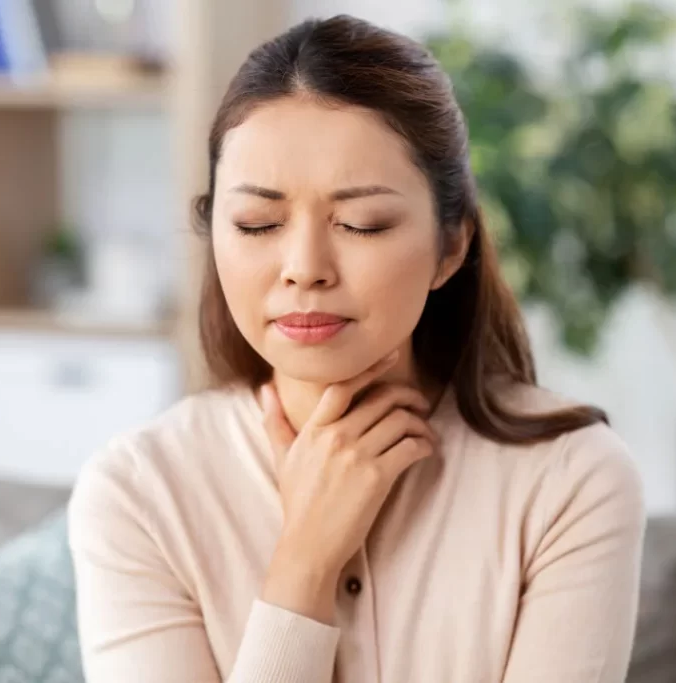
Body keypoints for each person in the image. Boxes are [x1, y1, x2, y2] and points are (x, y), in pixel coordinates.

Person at [67, 14, 646, 683]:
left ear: (451, 243)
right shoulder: (138, 494)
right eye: (258, 223)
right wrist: (304, 565)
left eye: (360, 223)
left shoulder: (570, 480)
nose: (304, 267)